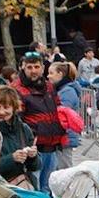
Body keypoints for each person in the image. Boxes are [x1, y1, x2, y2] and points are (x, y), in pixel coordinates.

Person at [14, 52, 69, 189]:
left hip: (52, 146)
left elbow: (57, 109)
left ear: (42, 68)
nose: (33, 71)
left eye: (36, 67)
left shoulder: (49, 86)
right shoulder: (17, 89)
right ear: (23, 68)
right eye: (29, 67)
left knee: (49, 187)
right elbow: (16, 121)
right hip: (33, 150)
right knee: (35, 187)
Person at [0, 85, 39, 183]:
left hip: (21, 184)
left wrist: (33, 156)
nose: (1, 112)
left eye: (6, 107)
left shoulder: (23, 129)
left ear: (14, 108)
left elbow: (35, 166)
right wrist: (12, 159)